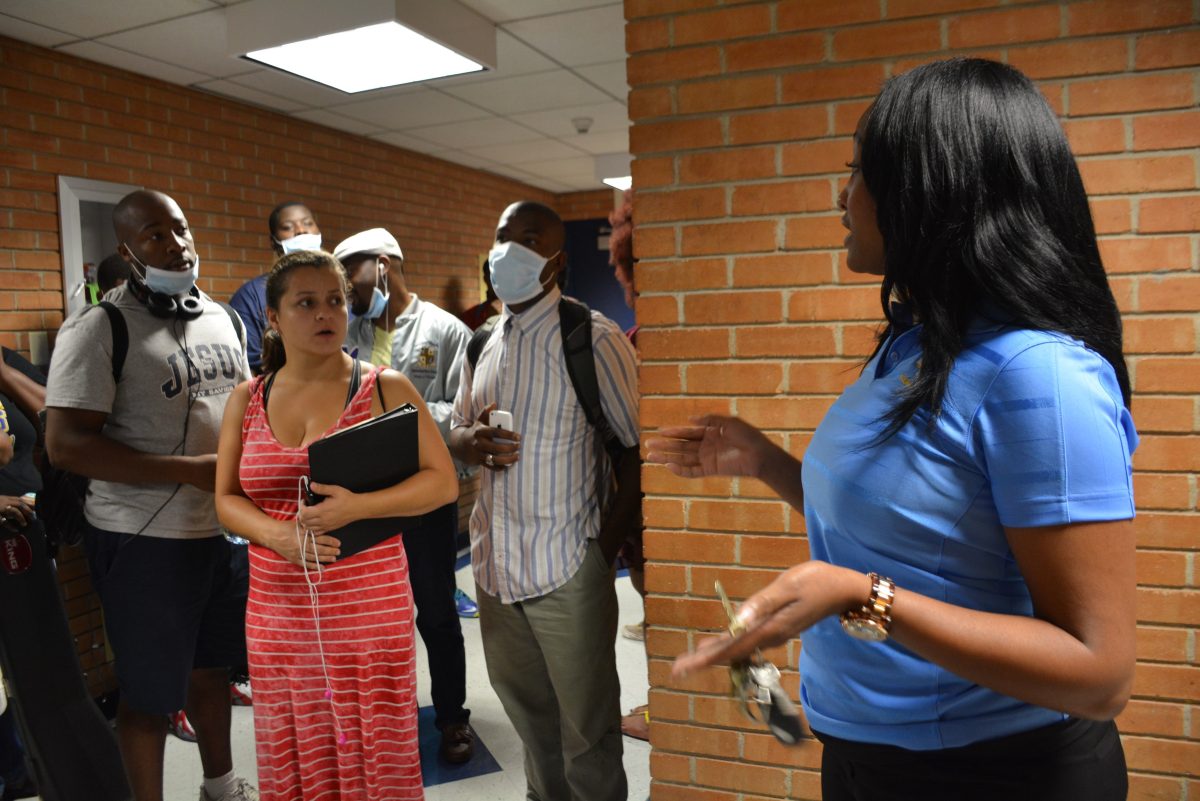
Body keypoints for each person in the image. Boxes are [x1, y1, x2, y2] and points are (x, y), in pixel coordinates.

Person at [650, 58, 1136, 801]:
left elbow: (1100, 674)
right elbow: (907, 532)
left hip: (990, 773)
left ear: (931, 191)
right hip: (868, 753)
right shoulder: (913, 345)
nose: (840, 195)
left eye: (859, 171)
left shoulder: (1039, 376)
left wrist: (860, 596)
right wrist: (767, 460)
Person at [214, 249, 458, 800]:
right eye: (306, 303)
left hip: (368, 614)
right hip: (279, 615)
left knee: (375, 754)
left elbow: (442, 482)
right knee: (296, 751)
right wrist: (276, 535)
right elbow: (226, 499)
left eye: (335, 301)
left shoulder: (382, 387)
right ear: (272, 318)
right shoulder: (245, 401)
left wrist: (357, 507)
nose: (325, 314)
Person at [44, 190, 256, 801]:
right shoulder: (99, 327)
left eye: (180, 229)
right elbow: (66, 445)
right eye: (154, 235)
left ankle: (220, 785)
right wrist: (185, 470)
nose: (175, 244)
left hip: (218, 532)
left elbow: (244, 411)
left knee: (211, 673)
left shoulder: (222, 316)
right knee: (148, 696)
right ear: (126, 251)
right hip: (142, 540)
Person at [450, 201, 640, 801]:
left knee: (589, 735)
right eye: (503, 237)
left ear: (555, 260)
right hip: (494, 570)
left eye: (528, 240)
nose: (509, 251)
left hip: (567, 570)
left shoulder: (592, 339)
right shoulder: (481, 343)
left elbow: (636, 455)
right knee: (532, 727)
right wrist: (468, 441)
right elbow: (454, 433)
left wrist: (599, 554)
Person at [335, 228, 476, 763]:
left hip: (423, 498)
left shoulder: (446, 331)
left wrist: (396, 417)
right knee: (369, 617)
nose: (346, 286)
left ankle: (452, 719)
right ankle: (378, 722)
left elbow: (462, 416)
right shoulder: (346, 331)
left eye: (352, 271)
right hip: (361, 499)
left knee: (436, 610)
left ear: (384, 263)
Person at [229, 201, 322, 374]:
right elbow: (251, 366)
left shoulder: (341, 287)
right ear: (274, 242)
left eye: (308, 223)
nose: (301, 230)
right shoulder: (251, 297)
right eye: (288, 227)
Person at [459, 258, 500, 331]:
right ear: (485, 279)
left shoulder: (520, 311)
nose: (498, 281)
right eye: (493, 276)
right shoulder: (470, 316)